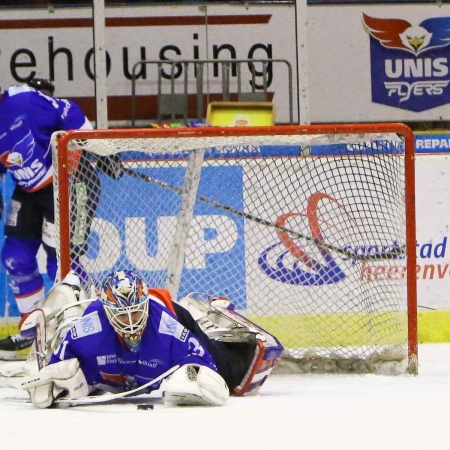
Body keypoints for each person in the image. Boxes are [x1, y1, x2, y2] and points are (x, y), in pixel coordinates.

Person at [20, 270, 284, 408]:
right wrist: (55, 384)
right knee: (69, 327)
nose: (132, 322)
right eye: (123, 316)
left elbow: (205, 367)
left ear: (145, 305)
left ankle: (204, 314)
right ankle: (68, 294)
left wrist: (193, 377)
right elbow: (55, 369)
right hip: (98, 325)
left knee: (231, 377)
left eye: (137, 311)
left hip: (172, 311)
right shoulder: (88, 329)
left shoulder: (167, 327)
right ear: (108, 313)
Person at [0, 78, 102, 361]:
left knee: (61, 263)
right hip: (30, 191)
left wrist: (96, 146)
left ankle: (86, 329)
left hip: (70, 181)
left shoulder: (22, 100)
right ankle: (33, 332)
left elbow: (69, 111)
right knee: (15, 257)